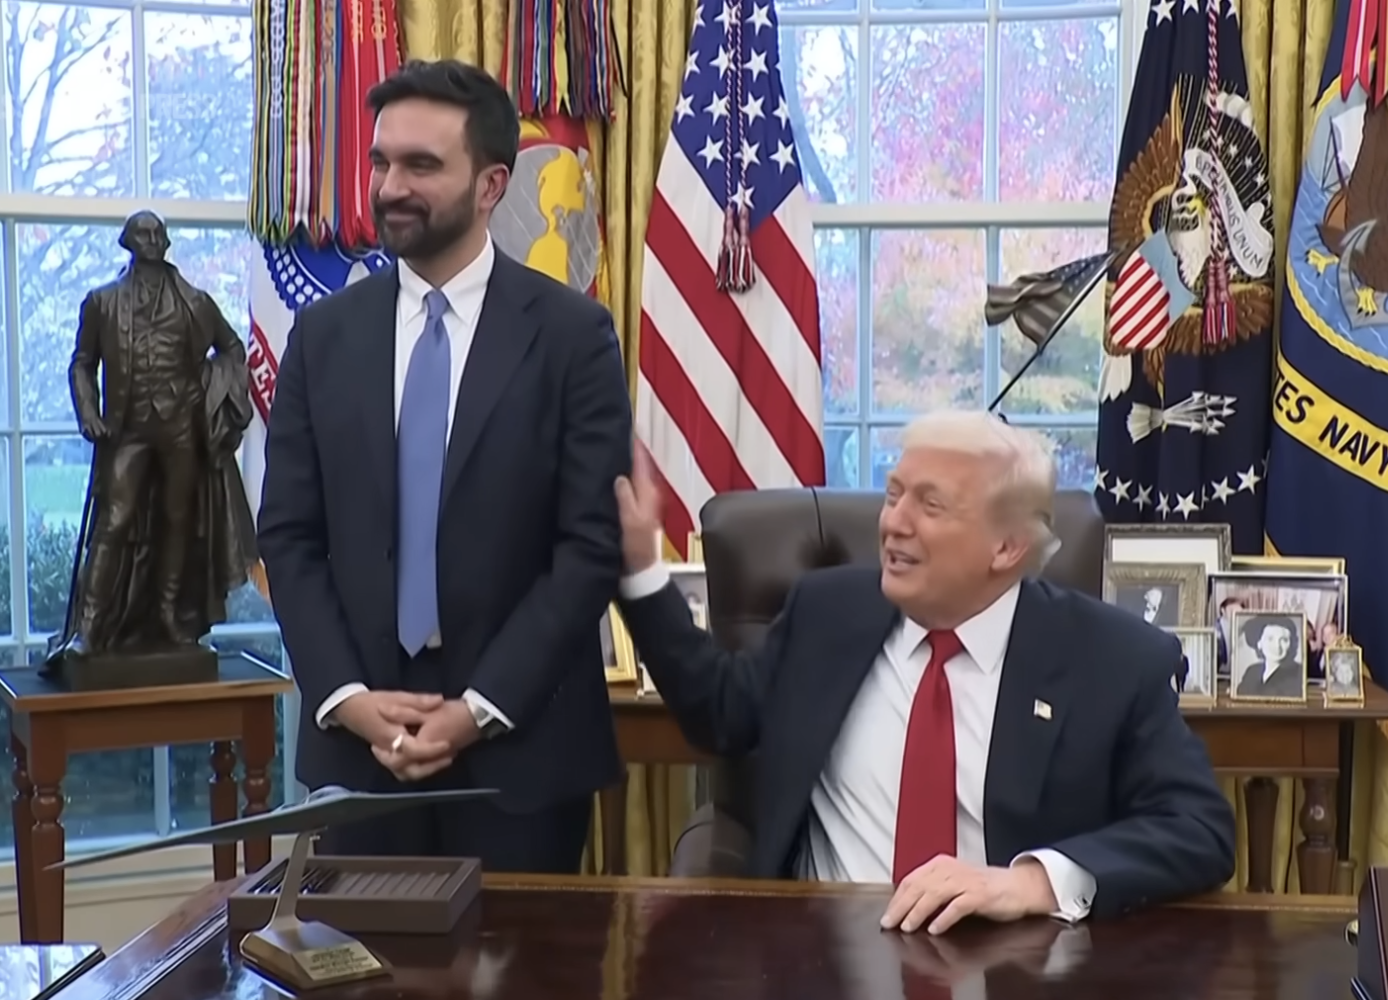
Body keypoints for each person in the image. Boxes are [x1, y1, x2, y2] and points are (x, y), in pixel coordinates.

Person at [614, 410, 1234, 933]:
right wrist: (642, 570)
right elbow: (721, 711)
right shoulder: (826, 615)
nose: (894, 523)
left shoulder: (1114, 660)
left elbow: (1198, 829)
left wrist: (1030, 882)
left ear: (1006, 547)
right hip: (824, 958)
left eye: (930, 505)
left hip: (1012, 967)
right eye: (893, 494)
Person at [257, 59, 632, 872]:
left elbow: (589, 548)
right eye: (381, 162)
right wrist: (351, 702)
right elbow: (288, 537)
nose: (391, 186)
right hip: (360, 763)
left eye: (422, 166)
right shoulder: (322, 339)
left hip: (521, 760)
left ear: (492, 185)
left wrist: (477, 710)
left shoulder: (573, 339)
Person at [1233, 614, 1306, 700]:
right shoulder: (1252, 671)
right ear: (1259, 643)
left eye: (1284, 640)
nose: (1277, 646)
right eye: (1270, 639)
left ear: (1291, 644)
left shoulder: (1299, 673)